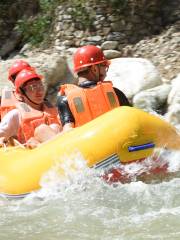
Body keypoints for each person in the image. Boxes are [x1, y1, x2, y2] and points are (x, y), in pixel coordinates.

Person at [57, 45, 130, 131]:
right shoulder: (115, 93)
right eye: (104, 67)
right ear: (95, 69)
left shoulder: (65, 100)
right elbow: (131, 119)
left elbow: (68, 131)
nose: (105, 73)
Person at [0, 69, 62, 148]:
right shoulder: (15, 115)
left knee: (55, 127)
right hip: (31, 153)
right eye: (33, 87)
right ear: (21, 92)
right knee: (42, 129)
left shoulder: (52, 110)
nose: (39, 91)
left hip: (53, 146)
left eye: (40, 86)